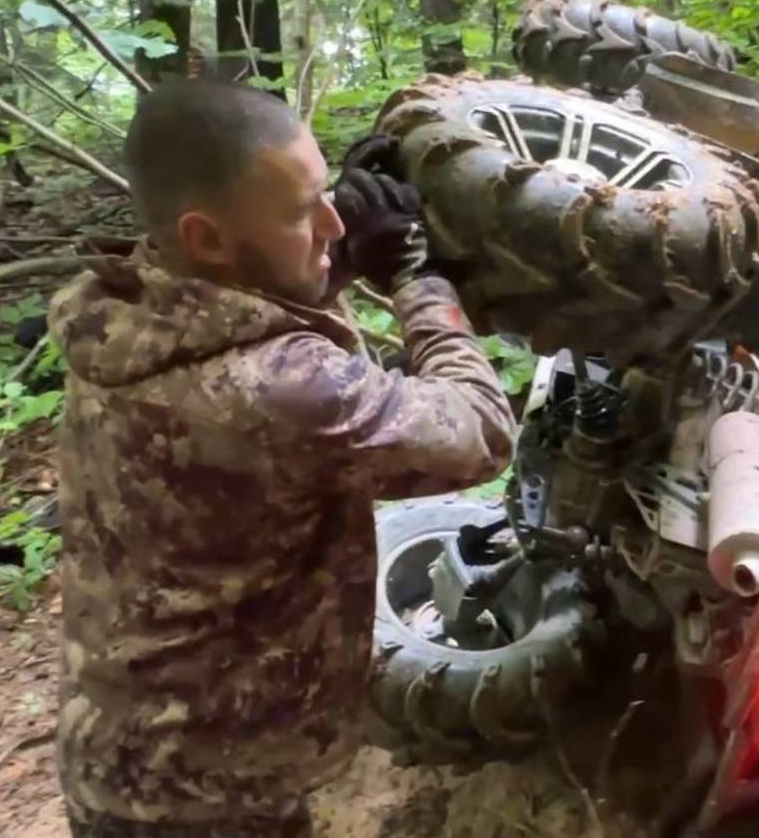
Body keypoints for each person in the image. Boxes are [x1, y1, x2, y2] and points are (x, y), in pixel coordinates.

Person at [48, 81, 517, 837]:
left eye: (329, 194)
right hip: (213, 794)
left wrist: (334, 257)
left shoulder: (117, 310)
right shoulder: (276, 390)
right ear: (207, 237)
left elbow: (241, 314)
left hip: (123, 748)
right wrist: (417, 280)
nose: (334, 220)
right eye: (305, 212)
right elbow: (482, 432)